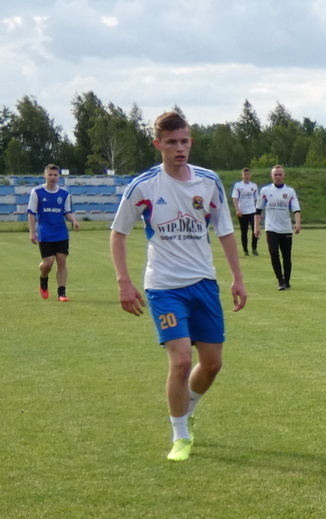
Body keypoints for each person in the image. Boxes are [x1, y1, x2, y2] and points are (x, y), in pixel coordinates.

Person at [109, 111, 248, 462]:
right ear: (158, 144)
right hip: (164, 287)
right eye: (171, 142)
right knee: (182, 360)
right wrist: (124, 282)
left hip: (204, 284)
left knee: (212, 364)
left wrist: (237, 278)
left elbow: (225, 230)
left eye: (184, 141)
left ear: (191, 142)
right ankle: (180, 435)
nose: (179, 148)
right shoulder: (144, 186)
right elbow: (118, 233)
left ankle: (188, 408)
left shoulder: (208, 181)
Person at [28, 163, 82, 301]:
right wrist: (32, 232)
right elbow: (31, 213)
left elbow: (66, 212)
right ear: (45, 175)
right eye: (50, 174)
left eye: (55, 175)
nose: (52, 177)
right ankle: (43, 279)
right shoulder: (37, 192)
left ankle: (61, 293)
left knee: (61, 261)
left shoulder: (64, 194)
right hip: (45, 232)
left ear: (59, 176)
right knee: (47, 264)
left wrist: (73, 221)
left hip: (61, 233)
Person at [255, 165, 301, 290]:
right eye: (275, 174)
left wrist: (297, 223)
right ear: (271, 176)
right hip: (271, 228)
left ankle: (287, 281)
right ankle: (280, 281)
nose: (278, 176)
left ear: (284, 176)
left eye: (280, 174)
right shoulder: (265, 191)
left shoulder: (290, 192)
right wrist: (256, 227)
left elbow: (296, 209)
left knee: (286, 256)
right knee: (273, 253)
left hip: (285, 228)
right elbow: (258, 210)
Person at [230, 167, 260, 257]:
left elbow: (256, 199)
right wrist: (237, 210)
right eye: (245, 174)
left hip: (252, 211)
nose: (246, 176)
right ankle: (245, 250)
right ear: (242, 175)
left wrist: (258, 212)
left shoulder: (254, 186)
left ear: (250, 175)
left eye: (248, 174)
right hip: (242, 212)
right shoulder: (238, 186)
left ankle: (254, 248)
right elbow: (235, 199)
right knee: (244, 231)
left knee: (255, 229)